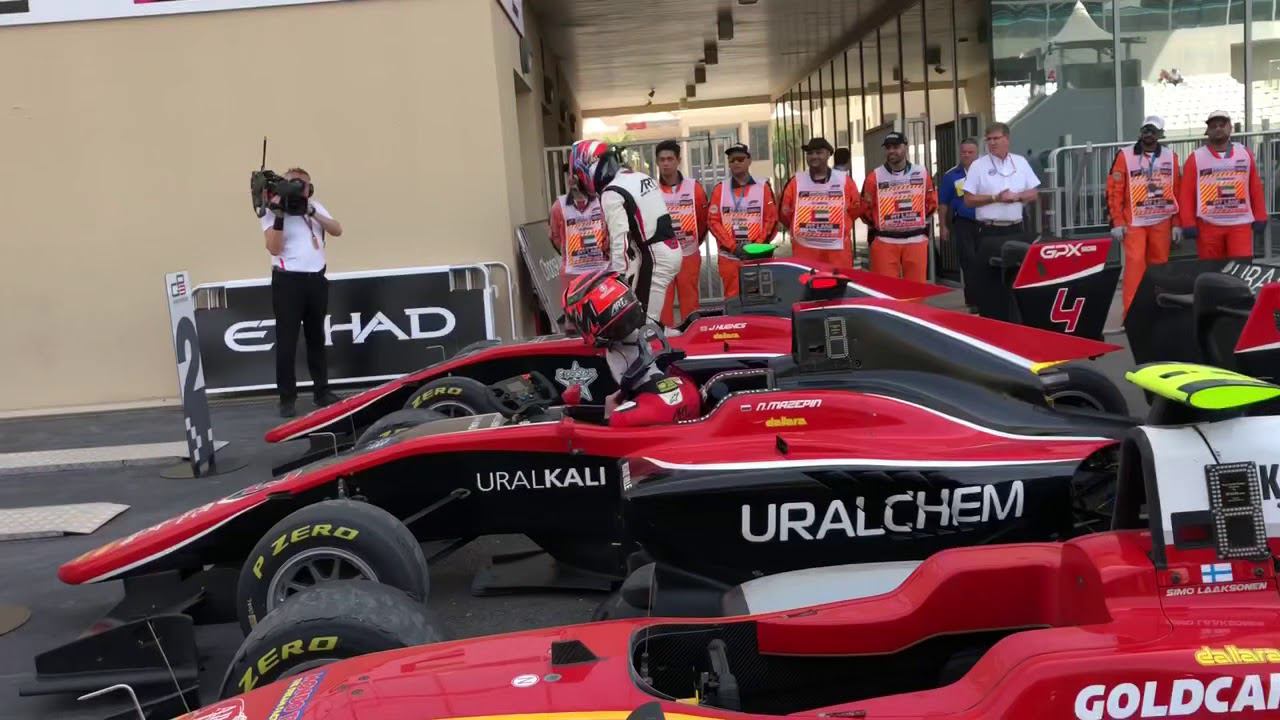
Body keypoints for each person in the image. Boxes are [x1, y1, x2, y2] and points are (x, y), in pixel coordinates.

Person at [562, 270, 699, 427]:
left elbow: (605, 440)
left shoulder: (624, 418)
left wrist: (608, 415)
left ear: (617, 355)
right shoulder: (690, 388)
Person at [260, 167, 344, 418]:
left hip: (316, 279)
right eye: (292, 184)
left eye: (302, 185)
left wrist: (311, 211)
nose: (298, 189)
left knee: (316, 337)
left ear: (310, 189)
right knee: (287, 340)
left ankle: (322, 391)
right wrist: (279, 215)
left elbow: (337, 229)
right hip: (288, 282)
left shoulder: (316, 207)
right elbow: (273, 248)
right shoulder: (272, 210)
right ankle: (287, 398)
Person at [570, 139, 682, 322]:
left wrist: (618, 277)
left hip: (655, 257)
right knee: (646, 316)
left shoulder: (611, 192)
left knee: (642, 321)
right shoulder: (639, 176)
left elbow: (619, 239)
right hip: (667, 249)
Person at [962, 122, 1041, 320]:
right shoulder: (978, 166)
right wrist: (995, 198)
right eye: (989, 139)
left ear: (1007, 139)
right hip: (989, 231)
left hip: (1016, 229)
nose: (992, 143)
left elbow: (1034, 193)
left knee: (1017, 279)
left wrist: (1017, 196)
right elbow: (968, 200)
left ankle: (1017, 321)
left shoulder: (1020, 162)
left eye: (996, 138)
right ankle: (992, 322)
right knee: (991, 283)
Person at [1107, 115, 1181, 314]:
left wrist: (1177, 223)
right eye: (1146, 130)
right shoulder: (1124, 155)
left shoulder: (1171, 157)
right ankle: (1132, 314)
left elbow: (1177, 191)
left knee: (1160, 267)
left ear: (1160, 134)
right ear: (1140, 132)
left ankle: (1158, 310)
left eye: (1153, 131)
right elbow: (1114, 190)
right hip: (1134, 221)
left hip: (1162, 220)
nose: (1149, 134)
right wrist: (1117, 221)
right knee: (1135, 266)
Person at [1179, 111, 1267, 261]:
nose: (1218, 128)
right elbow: (1186, 194)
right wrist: (1188, 222)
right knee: (1211, 271)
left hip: (1240, 224)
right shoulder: (1196, 157)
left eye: (1222, 125)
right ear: (1207, 131)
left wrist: (1260, 216)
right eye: (1213, 126)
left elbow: (1255, 187)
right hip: (1208, 225)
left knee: (1240, 269)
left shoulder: (1244, 153)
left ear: (1230, 128)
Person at [860, 132, 937, 282]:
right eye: (888, 148)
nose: (891, 151)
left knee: (916, 288)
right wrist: (880, 223)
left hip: (916, 239)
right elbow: (865, 208)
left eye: (896, 147)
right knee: (886, 288)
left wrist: (915, 220)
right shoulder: (874, 176)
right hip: (885, 240)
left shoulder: (921, 173)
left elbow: (931, 202)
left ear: (905, 147)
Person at [707, 143, 779, 298]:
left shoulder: (763, 187)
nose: (736, 163)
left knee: (758, 300)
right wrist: (733, 247)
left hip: (757, 256)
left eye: (740, 159)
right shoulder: (720, 189)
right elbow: (713, 222)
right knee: (733, 300)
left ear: (749, 160)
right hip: (730, 257)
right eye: (732, 160)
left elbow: (771, 219)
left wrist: (755, 248)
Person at [780, 136, 861, 268]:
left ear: (828, 154)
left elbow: (856, 209)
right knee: (806, 280)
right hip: (805, 251)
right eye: (810, 153)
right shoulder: (796, 182)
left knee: (838, 281)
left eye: (818, 152)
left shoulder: (844, 181)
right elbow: (784, 213)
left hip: (837, 251)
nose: (814, 156)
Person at [654, 139, 709, 325]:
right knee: (662, 302)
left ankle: (692, 334)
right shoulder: (651, 190)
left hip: (689, 253)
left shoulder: (694, 187)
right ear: (657, 162)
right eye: (662, 160)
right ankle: (665, 336)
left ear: (678, 160)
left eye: (670, 159)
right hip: (662, 257)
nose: (666, 163)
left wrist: (694, 241)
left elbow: (703, 220)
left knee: (690, 300)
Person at [548, 164, 608, 286]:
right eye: (570, 175)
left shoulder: (602, 202)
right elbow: (555, 237)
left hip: (600, 272)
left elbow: (610, 234)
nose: (573, 179)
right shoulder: (559, 207)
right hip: (573, 275)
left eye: (577, 175)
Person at [939, 138, 981, 307]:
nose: (967, 155)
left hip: (986, 223)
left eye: (971, 152)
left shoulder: (986, 172)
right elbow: (943, 203)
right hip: (964, 223)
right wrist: (943, 226)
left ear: (977, 153)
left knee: (984, 261)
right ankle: (973, 301)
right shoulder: (951, 176)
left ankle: (988, 299)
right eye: (964, 152)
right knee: (968, 261)